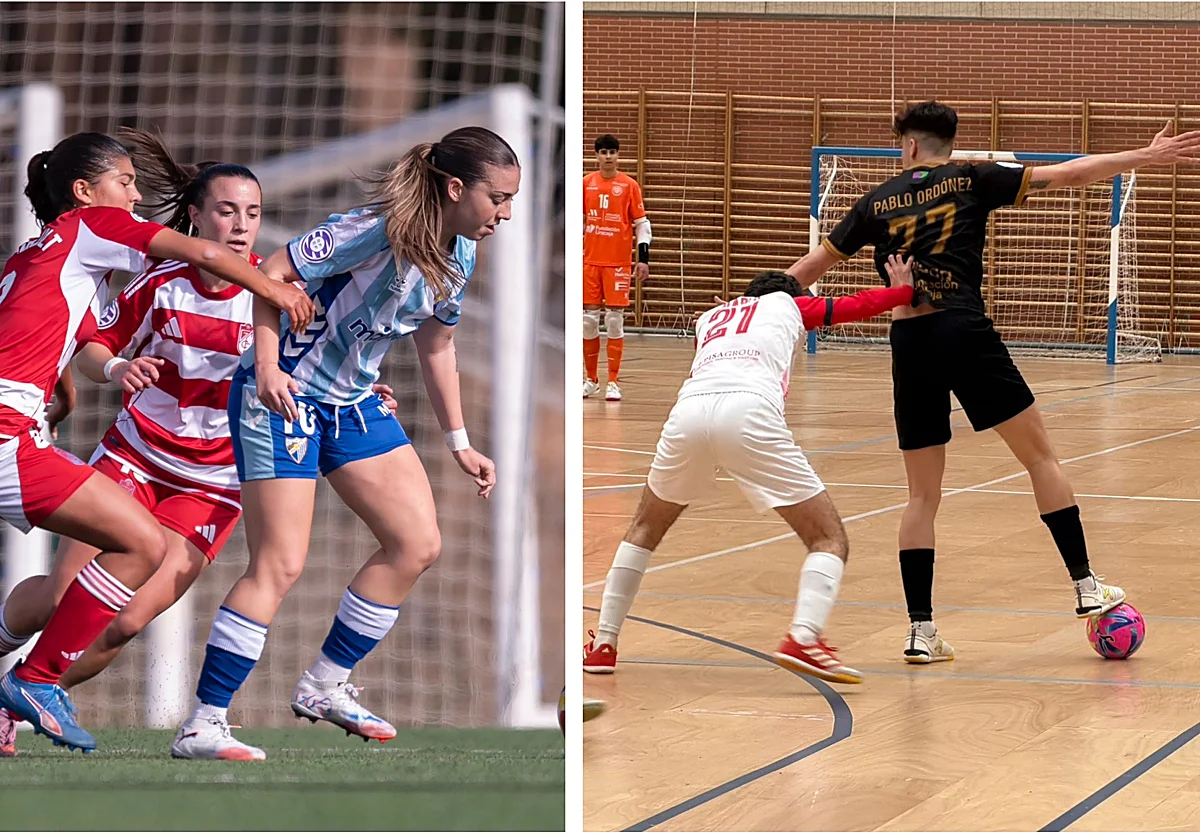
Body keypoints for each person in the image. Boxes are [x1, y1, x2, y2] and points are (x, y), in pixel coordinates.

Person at [0, 130, 400, 757]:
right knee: (63, 594)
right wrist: (111, 369)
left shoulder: (282, 295)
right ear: (195, 214)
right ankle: (29, 684)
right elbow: (89, 344)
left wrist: (364, 393)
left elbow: (330, 367)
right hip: (134, 456)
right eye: (225, 210)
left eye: (253, 213)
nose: (240, 226)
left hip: (213, 482)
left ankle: (18, 698)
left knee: (122, 623)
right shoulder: (161, 278)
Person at [784, 101, 1200, 664]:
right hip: (962, 328)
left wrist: (743, 303)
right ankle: (1085, 587)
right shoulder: (972, 175)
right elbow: (1073, 172)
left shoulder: (875, 200)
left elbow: (803, 273)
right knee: (1041, 459)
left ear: (908, 146)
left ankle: (920, 632)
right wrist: (1146, 156)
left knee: (921, 496)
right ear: (945, 143)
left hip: (909, 340)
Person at [171, 126, 515, 761]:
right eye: (498, 198)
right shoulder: (371, 229)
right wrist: (269, 367)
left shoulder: (461, 255)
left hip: (352, 403)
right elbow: (272, 274)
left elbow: (436, 344)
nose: (506, 213)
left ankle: (324, 686)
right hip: (283, 397)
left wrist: (460, 442)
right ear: (456, 188)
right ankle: (203, 724)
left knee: (418, 543)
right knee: (281, 564)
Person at [583, 258, 921, 683]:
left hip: (688, 411)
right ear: (791, 295)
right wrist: (904, 291)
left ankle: (604, 644)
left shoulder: (711, 317)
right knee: (828, 537)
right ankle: (804, 636)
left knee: (643, 529)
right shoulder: (791, 306)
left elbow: (731, 337)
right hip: (748, 411)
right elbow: (858, 305)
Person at [583, 134, 650, 402]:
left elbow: (642, 224)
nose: (608, 156)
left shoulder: (629, 185)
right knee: (588, 321)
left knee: (614, 319)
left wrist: (642, 258)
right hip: (590, 262)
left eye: (612, 152)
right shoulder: (586, 184)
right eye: (603, 152)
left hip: (618, 263)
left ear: (618, 155)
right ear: (596, 155)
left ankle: (612, 381)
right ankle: (590, 380)